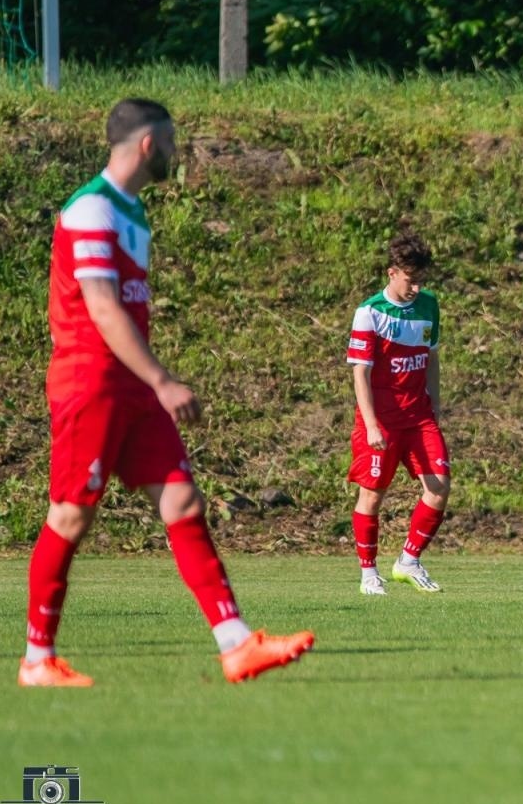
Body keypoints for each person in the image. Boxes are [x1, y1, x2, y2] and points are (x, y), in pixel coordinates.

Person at [19, 98, 314, 687]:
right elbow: (100, 308)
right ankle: (37, 660)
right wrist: (162, 379)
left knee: (182, 502)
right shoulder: (91, 210)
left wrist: (149, 380)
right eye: (172, 143)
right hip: (92, 382)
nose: (178, 155)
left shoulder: (132, 214)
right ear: (149, 145)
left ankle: (236, 645)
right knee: (72, 515)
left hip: (130, 385)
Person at [346, 232, 451, 595]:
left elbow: (432, 357)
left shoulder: (428, 305)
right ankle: (368, 574)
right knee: (373, 495)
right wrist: (372, 424)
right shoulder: (370, 312)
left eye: (421, 280)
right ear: (392, 273)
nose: (416, 288)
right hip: (382, 420)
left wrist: (435, 403)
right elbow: (360, 371)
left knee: (439, 487)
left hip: (418, 417)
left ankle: (408, 561)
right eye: (410, 280)